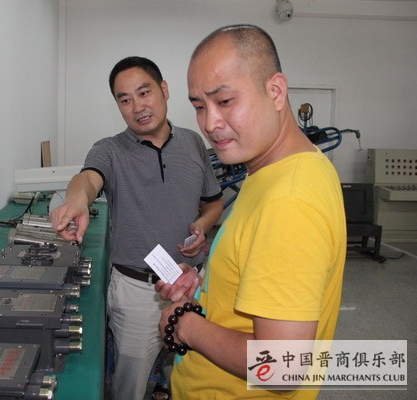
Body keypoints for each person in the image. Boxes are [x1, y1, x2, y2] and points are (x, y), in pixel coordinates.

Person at [156, 25, 346, 400]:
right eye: (199, 106)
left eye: (225, 101)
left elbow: (282, 367)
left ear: (275, 91)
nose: (209, 123)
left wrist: (186, 325)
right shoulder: (285, 168)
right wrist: (206, 287)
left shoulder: (287, 202)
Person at [50, 56, 224, 400]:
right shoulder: (110, 150)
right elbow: (88, 178)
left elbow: (213, 202)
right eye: (125, 99)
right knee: (130, 385)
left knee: (192, 373)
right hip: (137, 292)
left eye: (144, 93)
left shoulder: (193, 143)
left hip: (192, 284)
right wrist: (76, 200)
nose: (137, 107)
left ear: (164, 89)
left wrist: (202, 225)